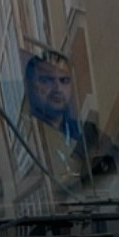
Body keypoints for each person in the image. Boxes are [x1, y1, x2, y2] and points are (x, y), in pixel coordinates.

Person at [22, 49, 110, 181]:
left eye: (64, 80)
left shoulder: (90, 134)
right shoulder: (26, 145)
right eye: (47, 80)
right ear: (32, 88)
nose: (57, 88)